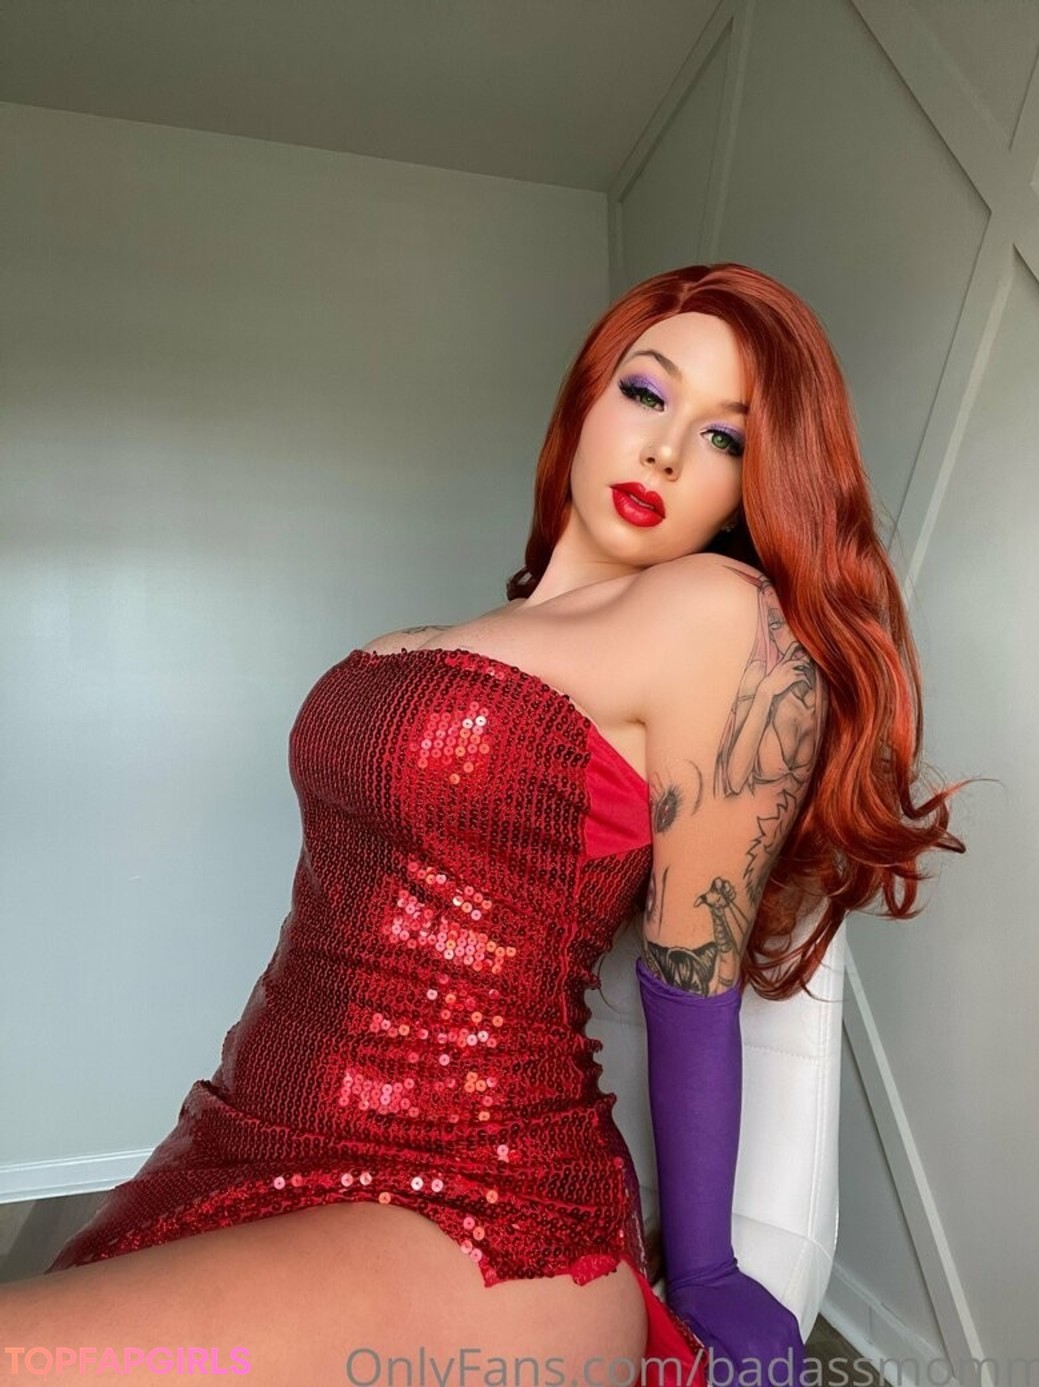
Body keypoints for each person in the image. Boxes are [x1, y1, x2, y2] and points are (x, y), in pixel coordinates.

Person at [0, 263, 967, 1387]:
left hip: (479, 1200)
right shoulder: (432, 637)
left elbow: (692, 979)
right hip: (236, 1129)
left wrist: (703, 1267)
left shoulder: (716, 616)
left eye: (724, 438)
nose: (665, 451)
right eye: (648, 393)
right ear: (589, 398)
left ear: (753, 491)